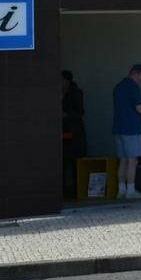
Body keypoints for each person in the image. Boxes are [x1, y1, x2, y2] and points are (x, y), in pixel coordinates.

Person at [112, 64, 141, 199]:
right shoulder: (133, 87)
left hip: (118, 129)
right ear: (136, 74)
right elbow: (140, 108)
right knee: (132, 161)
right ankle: (131, 191)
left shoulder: (118, 87)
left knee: (123, 161)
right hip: (132, 129)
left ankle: (121, 191)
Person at [61, 70, 87, 199]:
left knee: (74, 162)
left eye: (62, 80)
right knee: (62, 162)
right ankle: (63, 190)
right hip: (62, 132)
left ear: (67, 80)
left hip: (74, 132)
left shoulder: (76, 93)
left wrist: (66, 115)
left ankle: (77, 191)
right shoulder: (57, 93)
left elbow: (80, 111)